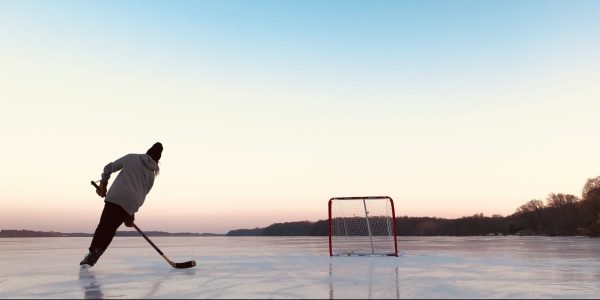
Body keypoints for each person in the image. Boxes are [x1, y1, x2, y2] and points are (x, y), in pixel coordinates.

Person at [80, 142, 163, 267]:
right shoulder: (152, 175)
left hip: (116, 196)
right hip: (130, 204)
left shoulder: (132, 158)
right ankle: (97, 253)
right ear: (157, 160)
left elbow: (108, 168)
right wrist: (131, 213)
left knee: (103, 226)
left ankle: (93, 253)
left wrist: (103, 184)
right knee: (111, 228)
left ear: (148, 151)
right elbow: (142, 195)